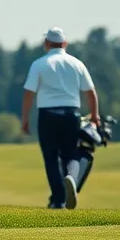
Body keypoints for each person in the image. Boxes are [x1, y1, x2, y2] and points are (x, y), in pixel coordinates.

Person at [21, 27, 99, 210]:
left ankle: (58, 201)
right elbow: (90, 92)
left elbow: (28, 93)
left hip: (47, 115)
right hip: (72, 113)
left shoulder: (39, 64)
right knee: (70, 155)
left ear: (46, 44)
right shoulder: (77, 63)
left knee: (50, 157)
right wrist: (95, 116)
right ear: (65, 43)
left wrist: (25, 118)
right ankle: (71, 178)